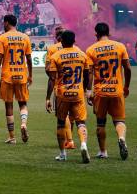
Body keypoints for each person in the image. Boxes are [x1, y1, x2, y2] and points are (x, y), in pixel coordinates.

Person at [85, 22, 131, 160]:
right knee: (119, 120)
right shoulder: (120, 46)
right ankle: (121, 138)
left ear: (96, 34)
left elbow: (90, 73)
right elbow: (128, 68)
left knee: (100, 122)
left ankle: (103, 151)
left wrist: (88, 90)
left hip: (101, 92)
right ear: (109, 33)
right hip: (117, 89)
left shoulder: (91, 50)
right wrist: (126, 86)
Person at [45, 30, 92, 163]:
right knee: (81, 122)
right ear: (74, 41)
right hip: (78, 94)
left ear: (62, 41)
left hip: (62, 94)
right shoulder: (82, 55)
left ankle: (62, 153)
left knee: (60, 123)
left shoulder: (56, 56)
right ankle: (83, 144)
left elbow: (52, 79)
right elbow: (87, 75)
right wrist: (83, 90)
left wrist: (48, 98)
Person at [0, 14, 32, 144]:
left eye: (3, 23)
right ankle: (24, 123)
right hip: (21, 75)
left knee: (8, 105)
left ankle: (12, 137)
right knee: (22, 103)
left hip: (8, 76)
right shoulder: (25, 37)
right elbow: (29, 59)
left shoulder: (3, 38)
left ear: (7, 23)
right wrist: (30, 75)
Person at [45, 26, 74, 149]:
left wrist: (47, 97)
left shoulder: (52, 49)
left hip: (60, 86)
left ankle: (69, 140)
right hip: (74, 85)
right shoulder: (75, 48)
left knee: (63, 115)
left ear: (57, 37)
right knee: (71, 115)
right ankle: (69, 138)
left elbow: (48, 69)